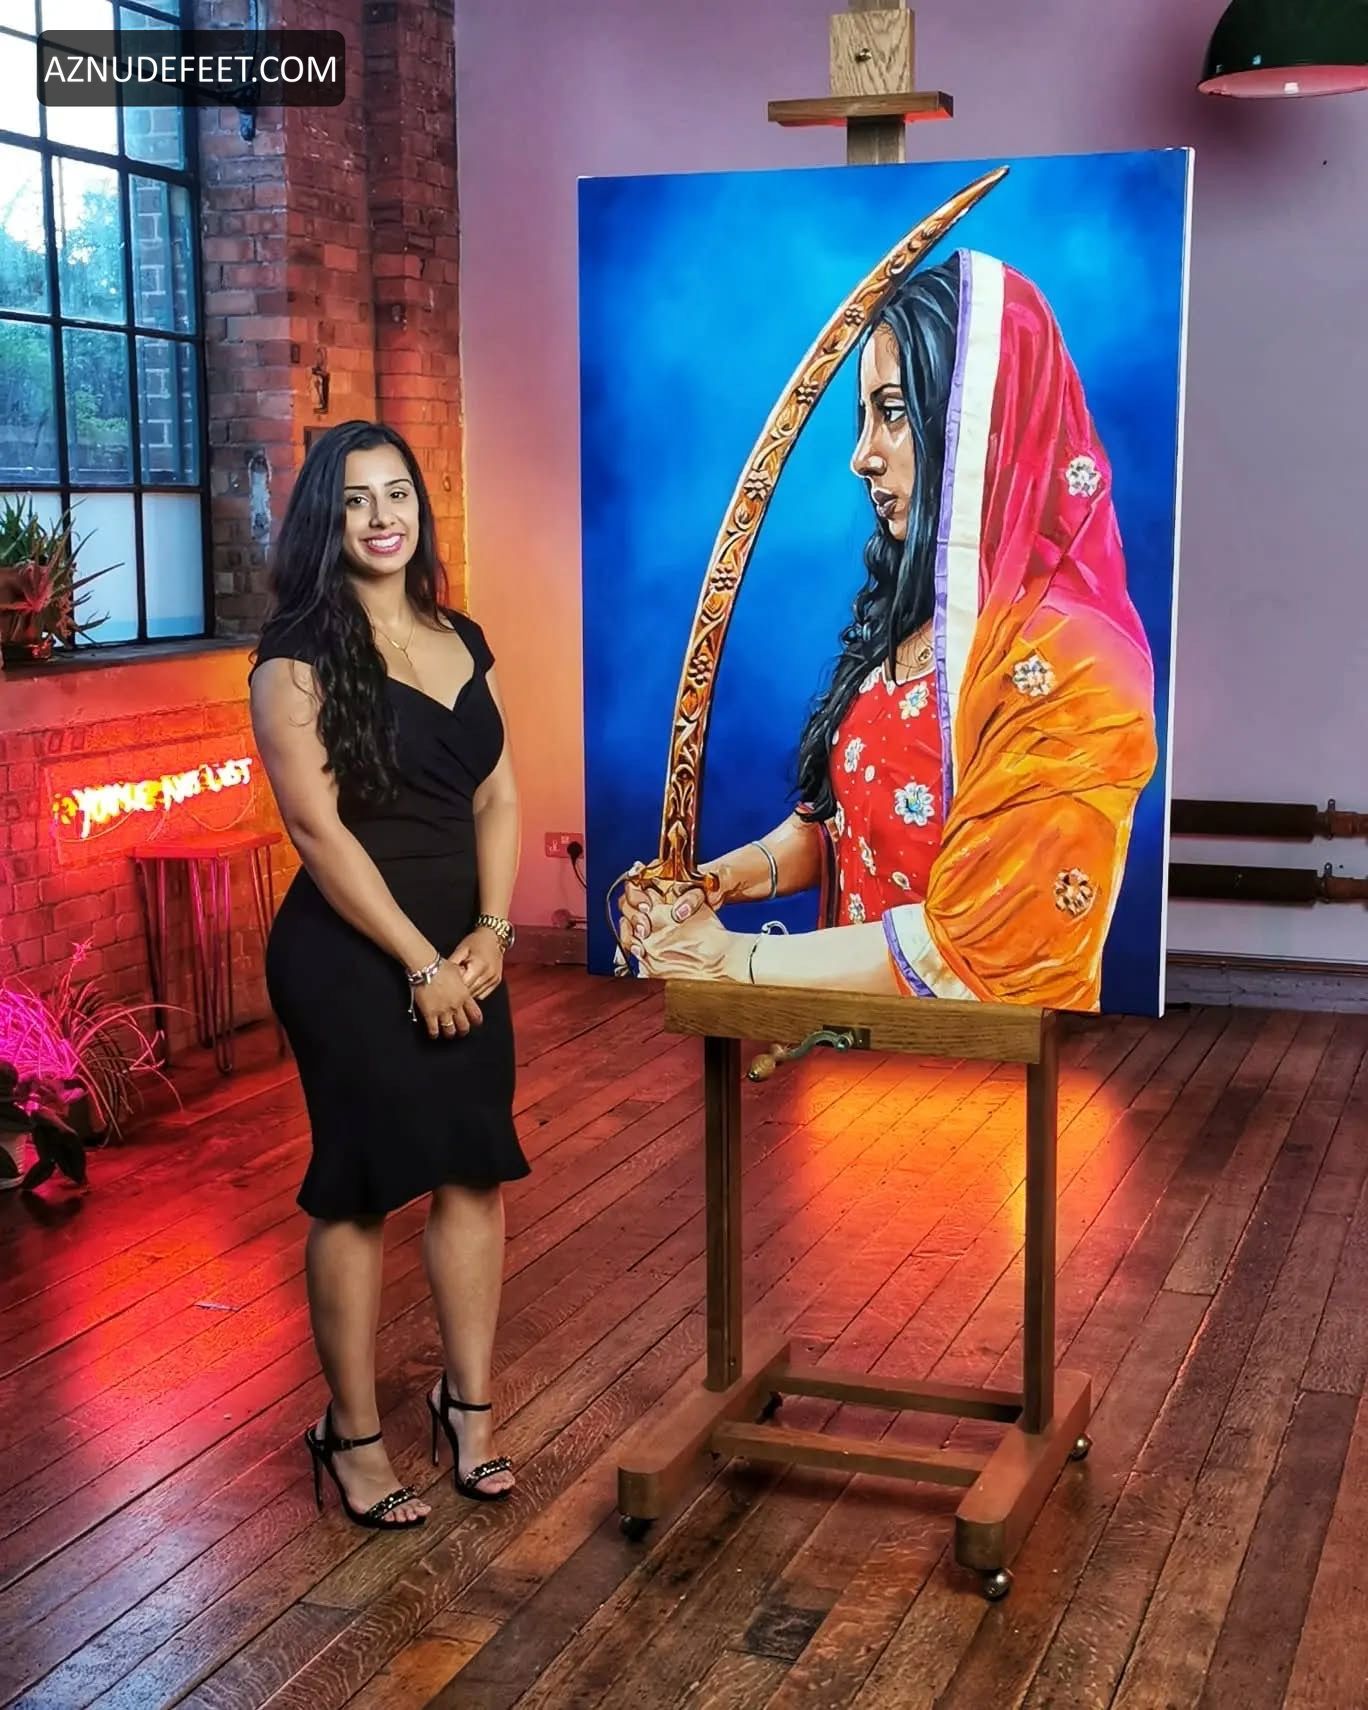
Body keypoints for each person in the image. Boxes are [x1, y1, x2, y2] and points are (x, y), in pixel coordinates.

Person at [620, 249, 1158, 1013]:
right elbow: (836, 828)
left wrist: (729, 959)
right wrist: (710, 885)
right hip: (845, 1044)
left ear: (981, 422)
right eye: (864, 417)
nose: (861, 456)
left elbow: (980, 948)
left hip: (982, 1068)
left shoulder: (1078, 660)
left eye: (895, 413)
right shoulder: (913, 621)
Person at [248, 420, 527, 1530]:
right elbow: (316, 834)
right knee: (359, 1186)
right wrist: (420, 964)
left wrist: (493, 932)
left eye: (398, 493)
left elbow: (497, 794)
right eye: (358, 498)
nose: (382, 517)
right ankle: (352, 1437)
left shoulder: (462, 635)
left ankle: (469, 1411)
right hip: (350, 955)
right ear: (328, 518)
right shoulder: (293, 661)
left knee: (473, 1169)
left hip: (465, 948)